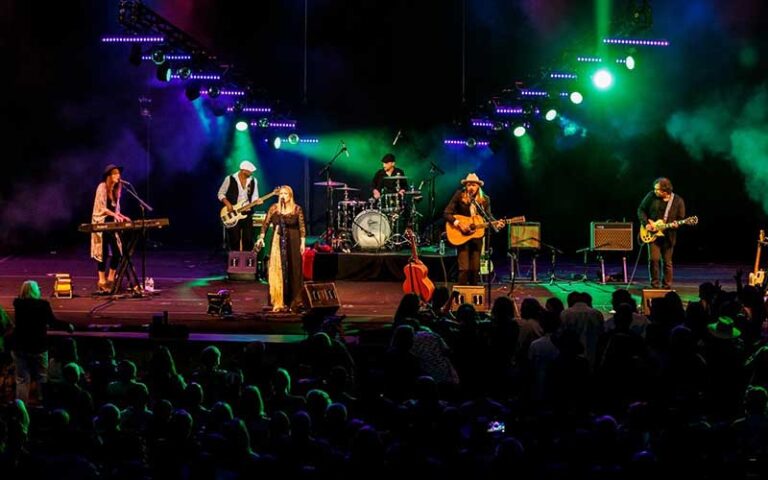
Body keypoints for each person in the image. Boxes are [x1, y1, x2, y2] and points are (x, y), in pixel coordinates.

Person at [10, 280, 74, 403]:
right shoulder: (42, 305)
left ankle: (21, 406)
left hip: (20, 345)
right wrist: (67, 326)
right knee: (42, 376)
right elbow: (52, 322)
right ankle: (43, 402)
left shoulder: (18, 304)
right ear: (35, 291)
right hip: (38, 346)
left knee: (22, 378)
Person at [444, 173, 501, 285]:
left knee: (475, 270)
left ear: (478, 186)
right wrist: (459, 223)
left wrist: (496, 223)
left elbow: (488, 216)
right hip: (462, 236)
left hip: (476, 237)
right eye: (469, 185)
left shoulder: (484, 200)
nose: (471, 187)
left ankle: (474, 299)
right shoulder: (459, 195)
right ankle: (460, 297)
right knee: (464, 269)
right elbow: (446, 213)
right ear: (466, 186)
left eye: (473, 185)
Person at [256, 186, 306, 312]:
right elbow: (265, 224)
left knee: (293, 269)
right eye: (281, 193)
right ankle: (279, 300)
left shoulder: (296, 209)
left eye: (285, 193)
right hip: (278, 242)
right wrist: (261, 237)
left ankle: (295, 301)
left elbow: (302, 227)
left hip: (293, 241)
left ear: (290, 195)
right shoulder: (274, 208)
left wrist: (302, 243)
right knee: (278, 270)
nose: (283, 195)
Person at [637, 177, 686, 289]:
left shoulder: (678, 201)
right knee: (653, 260)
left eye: (657, 190)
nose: (655, 191)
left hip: (668, 236)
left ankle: (666, 286)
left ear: (665, 192)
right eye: (655, 189)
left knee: (667, 262)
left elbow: (680, 218)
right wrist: (646, 224)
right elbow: (641, 209)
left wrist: (677, 224)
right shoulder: (651, 196)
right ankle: (655, 285)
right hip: (652, 234)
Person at [91, 164, 131, 293]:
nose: (117, 176)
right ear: (109, 176)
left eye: (118, 173)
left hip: (112, 225)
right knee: (102, 253)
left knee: (117, 253)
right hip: (101, 223)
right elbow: (101, 208)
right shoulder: (102, 187)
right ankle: (101, 280)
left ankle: (111, 278)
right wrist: (114, 215)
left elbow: (116, 209)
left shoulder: (117, 189)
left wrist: (122, 216)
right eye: (114, 173)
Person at [218, 160, 261, 251]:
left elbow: (255, 196)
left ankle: (246, 260)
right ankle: (235, 260)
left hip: (247, 212)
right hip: (232, 211)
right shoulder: (229, 179)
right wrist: (228, 204)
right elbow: (221, 193)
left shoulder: (253, 180)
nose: (251, 173)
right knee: (235, 238)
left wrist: (256, 202)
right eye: (250, 171)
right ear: (243, 171)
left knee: (248, 238)